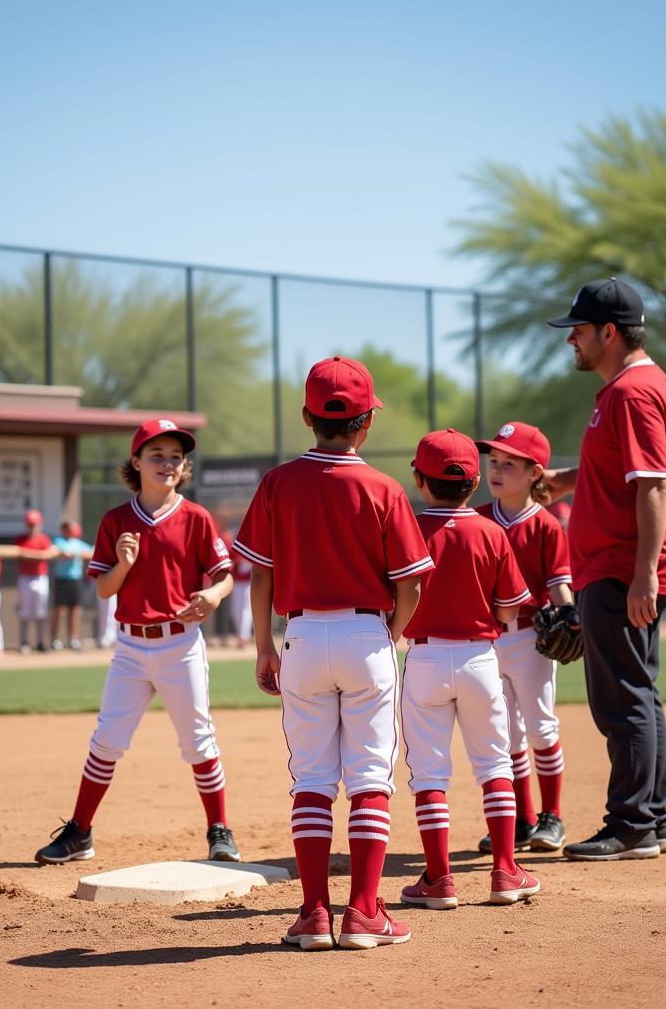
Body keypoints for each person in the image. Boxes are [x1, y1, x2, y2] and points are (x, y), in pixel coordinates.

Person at [235, 355, 434, 952]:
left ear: (306, 416)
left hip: (299, 637)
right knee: (371, 776)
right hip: (365, 634)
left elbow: (260, 574)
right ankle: (366, 913)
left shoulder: (277, 482)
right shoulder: (382, 488)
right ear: (367, 421)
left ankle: (315, 914)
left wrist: (264, 646)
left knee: (313, 779)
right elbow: (413, 584)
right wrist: (390, 635)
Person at [33, 418, 239, 866]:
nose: (167, 463)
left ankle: (219, 831)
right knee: (106, 740)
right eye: (157, 455)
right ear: (136, 461)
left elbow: (224, 577)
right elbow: (105, 590)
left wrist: (212, 595)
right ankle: (80, 833)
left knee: (199, 742)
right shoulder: (116, 520)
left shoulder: (197, 518)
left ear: (184, 467)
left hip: (180, 644)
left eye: (175, 456)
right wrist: (124, 563)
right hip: (130, 647)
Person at [542, 278, 666, 861]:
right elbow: (623, 469)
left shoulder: (631, 393)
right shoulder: (635, 389)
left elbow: (652, 484)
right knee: (639, 694)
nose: (571, 340)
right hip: (622, 565)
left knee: (621, 699)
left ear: (609, 332)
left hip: (622, 568)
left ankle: (630, 825)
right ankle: (654, 818)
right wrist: (565, 480)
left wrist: (643, 574)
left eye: (579, 330)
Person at [399, 428, 541, 910]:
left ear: (420, 480)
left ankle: (439, 881)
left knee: (429, 774)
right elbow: (509, 610)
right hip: (481, 657)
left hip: (424, 658)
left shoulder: (410, 529)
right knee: (495, 764)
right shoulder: (491, 531)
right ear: (475, 482)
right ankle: (505, 871)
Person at [474, 421, 574, 853]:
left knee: (539, 726)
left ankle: (552, 817)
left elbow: (559, 582)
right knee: (506, 733)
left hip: (532, 639)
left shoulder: (546, 525)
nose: (496, 470)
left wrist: (568, 612)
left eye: (508, 464)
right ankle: (523, 818)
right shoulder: (478, 519)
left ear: (536, 473)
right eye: (493, 462)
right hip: (488, 640)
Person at [15, 509, 55, 653]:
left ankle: (40, 642)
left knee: (41, 612)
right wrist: (38, 555)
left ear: (40, 524)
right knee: (24, 612)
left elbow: (50, 554)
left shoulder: (44, 539)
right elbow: (19, 554)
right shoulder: (21, 539)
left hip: (40, 578)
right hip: (25, 577)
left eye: (34, 524)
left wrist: (33, 555)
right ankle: (24, 642)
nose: (32, 527)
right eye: (30, 524)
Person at [50, 521, 93, 650]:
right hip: (61, 579)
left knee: (74, 610)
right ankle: (54, 639)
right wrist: (68, 554)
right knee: (59, 610)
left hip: (76, 580)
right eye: (68, 528)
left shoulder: (78, 543)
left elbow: (91, 551)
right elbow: (59, 552)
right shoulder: (58, 541)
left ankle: (73, 639)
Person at [228, 542, 253, 648]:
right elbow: (231, 559)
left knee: (246, 610)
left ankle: (244, 637)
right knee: (235, 610)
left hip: (248, 583)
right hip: (237, 582)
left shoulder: (253, 544)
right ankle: (240, 635)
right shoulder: (236, 544)